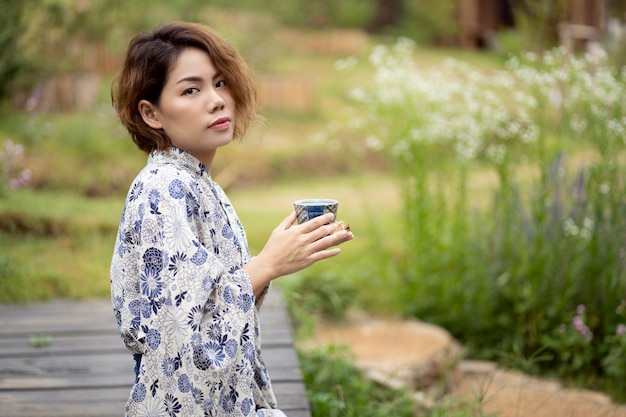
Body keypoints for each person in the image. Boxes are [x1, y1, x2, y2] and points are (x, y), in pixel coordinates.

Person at [109, 21, 354, 417]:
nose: (216, 100)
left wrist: (281, 255)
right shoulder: (162, 188)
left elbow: (206, 292)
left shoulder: (194, 180)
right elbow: (184, 330)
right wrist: (267, 264)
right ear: (151, 113)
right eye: (192, 89)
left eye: (220, 83)